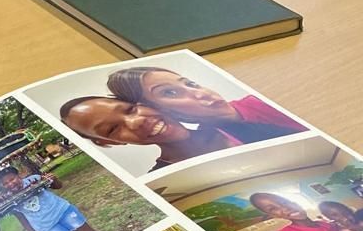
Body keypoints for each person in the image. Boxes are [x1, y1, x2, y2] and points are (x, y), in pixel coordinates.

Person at [106, 67, 305, 142]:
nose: (201, 93)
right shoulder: (215, 141)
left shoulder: (259, 100)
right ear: (158, 110)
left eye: (190, 84)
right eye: (170, 92)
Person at [59, 96, 235, 169]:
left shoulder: (233, 122)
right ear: (109, 142)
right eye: (112, 129)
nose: (136, 121)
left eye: (130, 109)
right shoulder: (162, 181)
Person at [0, 168, 116, 231]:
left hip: (63, 211)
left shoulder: (34, 179)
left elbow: (58, 186)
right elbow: (22, 218)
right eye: (5, 183)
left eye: (12, 179)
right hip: (47, 227)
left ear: (19, 176)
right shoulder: (8, 201)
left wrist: (53, 179)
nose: (10, 184)